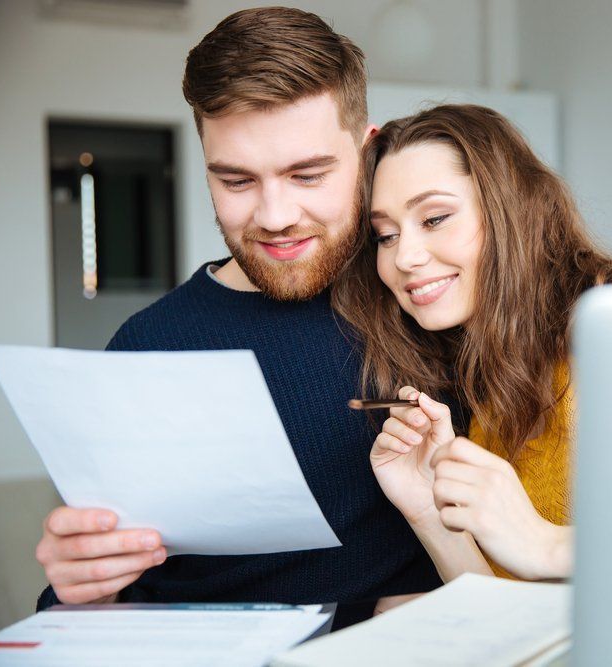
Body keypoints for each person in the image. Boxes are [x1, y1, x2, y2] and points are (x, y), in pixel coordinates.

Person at [33, 7, 443, 609]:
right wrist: (84, 584)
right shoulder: (148, 347)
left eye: (307, 175)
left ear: (367, 149)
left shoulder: (426, 298)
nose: (274, 216)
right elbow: (115, 597)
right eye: (236, 181)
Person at [332, 104, 612, 581]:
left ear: (509, 209)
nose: (404, 257)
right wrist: (429, 511)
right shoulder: (489, 376)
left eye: (434, 219)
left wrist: (548, 544)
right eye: (385, 235)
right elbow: (504, 618)